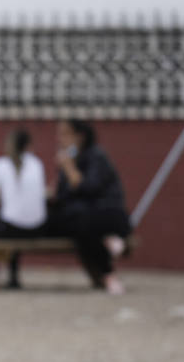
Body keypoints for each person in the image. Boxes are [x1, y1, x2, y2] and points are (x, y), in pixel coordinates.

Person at [49, 119, 132, 295]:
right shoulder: (70, 159)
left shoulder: (96, 157)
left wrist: (69, 168)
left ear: (80, 136)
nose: (60, 139)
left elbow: (88, 188)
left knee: (84, 225)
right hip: (82, 220)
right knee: (73, 224)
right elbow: (63, 195)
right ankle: (108, 265)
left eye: (65, 134)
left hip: (105, 214)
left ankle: (108, 273)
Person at [0, 127, 49, 289]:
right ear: (28, 146)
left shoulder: (1, 163)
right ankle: (1, 270)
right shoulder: (36, 163)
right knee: (11, 217)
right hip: (38, 228)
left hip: (10, 229)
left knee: (3, 219)